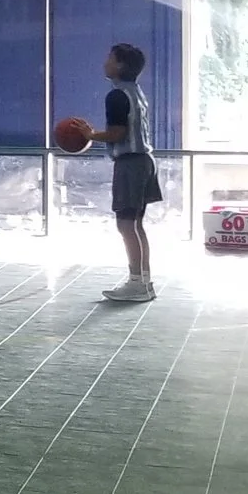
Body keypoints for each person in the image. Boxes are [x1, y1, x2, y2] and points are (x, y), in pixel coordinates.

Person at [90, 42, 161, 302]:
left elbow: (116, 133)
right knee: (136, 224)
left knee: (125, 224)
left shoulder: (117, 96)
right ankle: (144, 281)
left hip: (130, 164)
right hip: (145, 161)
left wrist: (88, 135)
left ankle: (136, 283)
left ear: (120, 65)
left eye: (110, 58)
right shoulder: (136, 92)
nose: (105, 63)